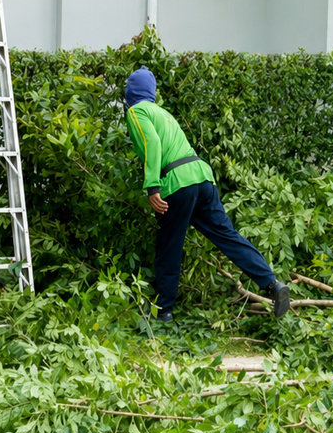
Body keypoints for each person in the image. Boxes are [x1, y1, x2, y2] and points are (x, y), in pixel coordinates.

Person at [123, 66, 291, 323]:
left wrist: (152, 187)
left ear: (131, 92)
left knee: (170, 246)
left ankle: (163, 313)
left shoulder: (138, 111)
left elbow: (152, 144)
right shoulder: (164, 113)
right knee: (227, 236)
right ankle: (272, 283)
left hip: (178, 182)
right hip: (202, 177)